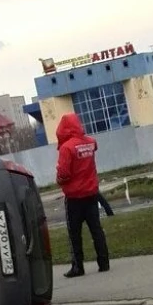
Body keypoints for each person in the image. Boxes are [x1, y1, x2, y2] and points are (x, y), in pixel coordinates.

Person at [56, 112, 110, 277]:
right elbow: (91, 147)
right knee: (96, 229)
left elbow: (64, 173)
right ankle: (104, 262)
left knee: (75, 234)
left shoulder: (66, 148)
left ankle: (78, 266)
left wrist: (59, 179)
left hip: (74, 197)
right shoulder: (90, 143)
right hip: (91, 193)